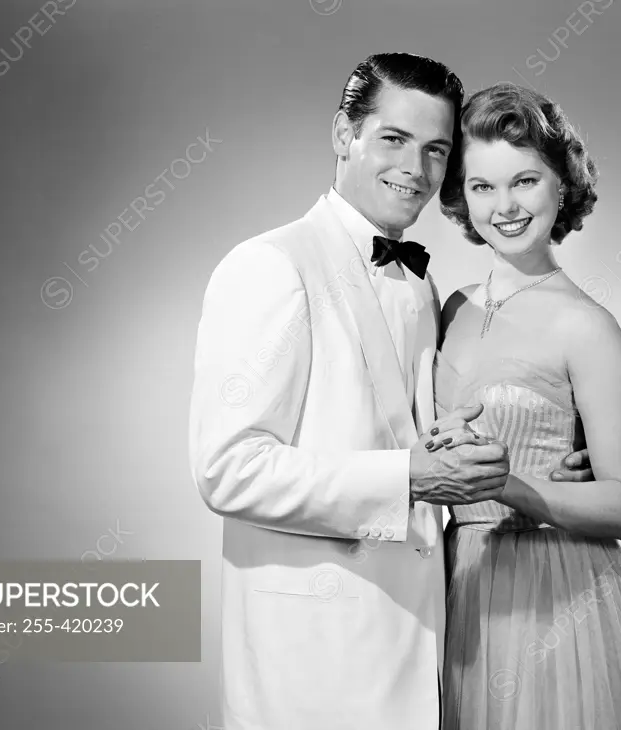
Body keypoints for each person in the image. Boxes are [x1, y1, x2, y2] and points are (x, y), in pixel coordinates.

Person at [188, 56, 591, 730]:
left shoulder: (422, 288)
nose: (417, 168)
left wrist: (528, 469)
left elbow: (419, 436)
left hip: (427, 639)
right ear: (344, 134)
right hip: (314, 659)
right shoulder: (269, 266)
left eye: (436, 150)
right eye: (394, 139)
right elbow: (227, 469)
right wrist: (411, 475)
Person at [433, 83, 621, 729]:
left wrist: (511, 484)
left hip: (553, 596)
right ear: (461, 199)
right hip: (457, 589)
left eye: (525, 181)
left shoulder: (587, 327)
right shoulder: (447, 309)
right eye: (482, 187)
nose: (504, 206)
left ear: (562, 185)